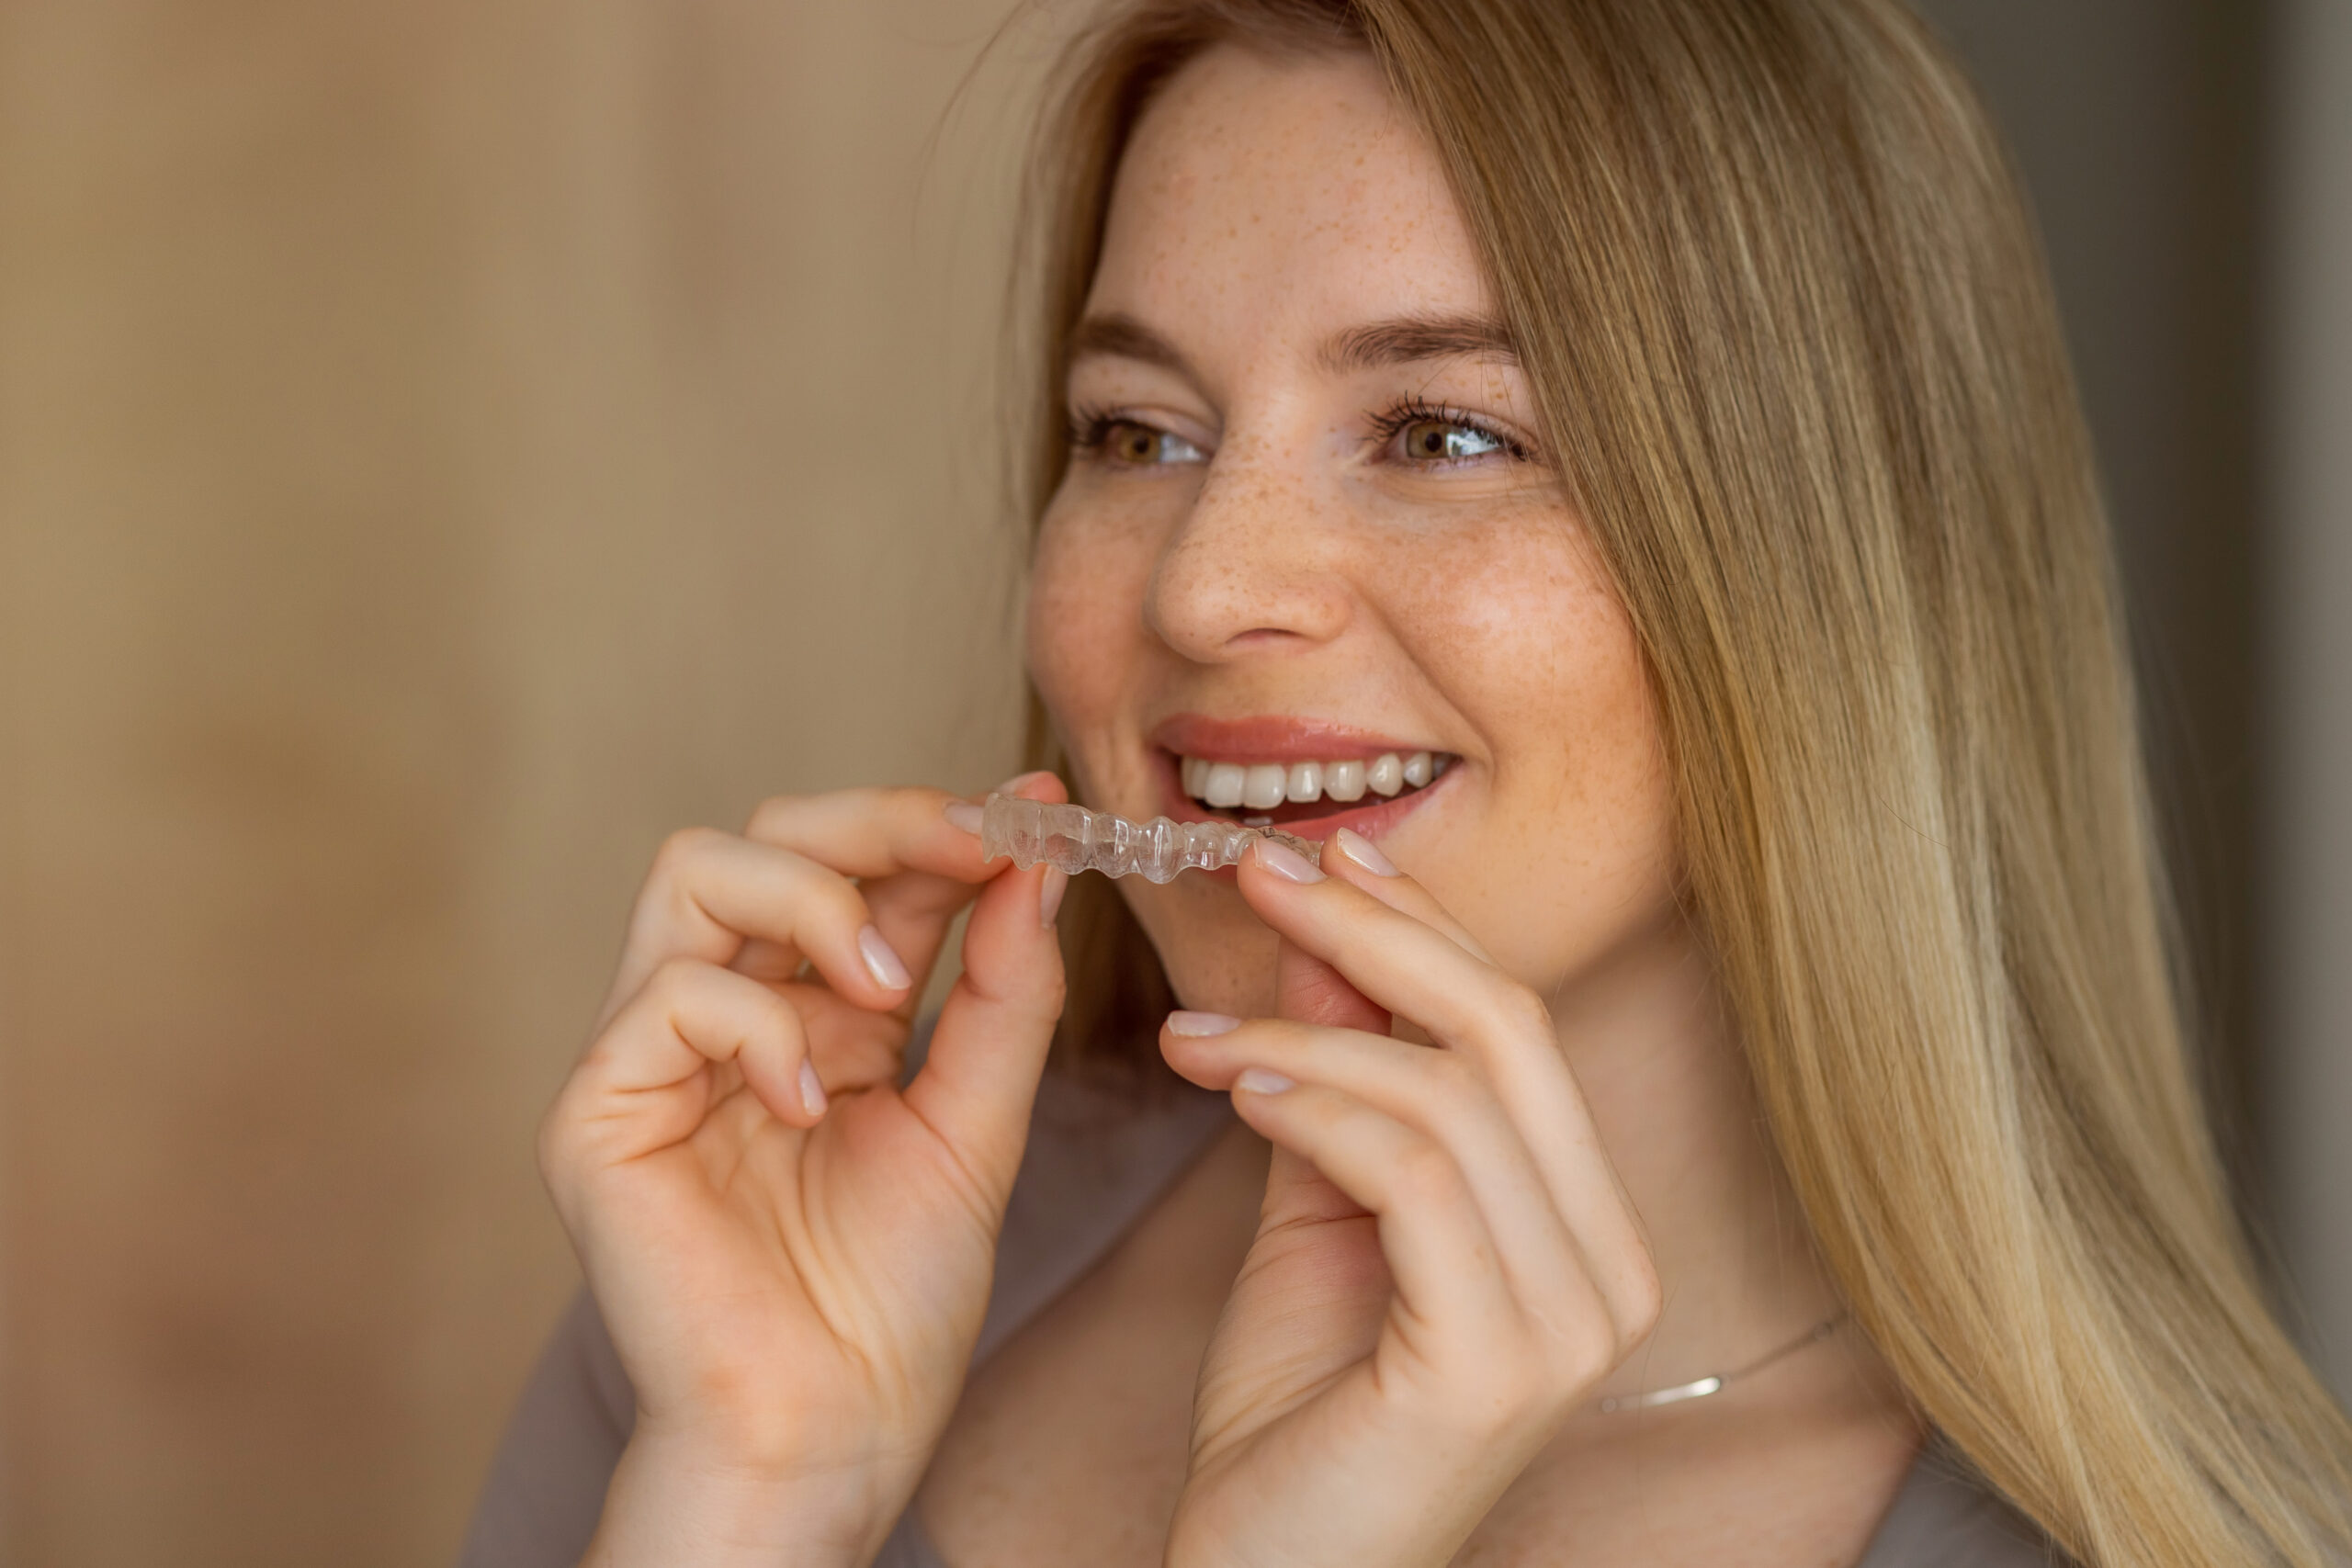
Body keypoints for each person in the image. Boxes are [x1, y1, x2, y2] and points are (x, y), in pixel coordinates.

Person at [462, 2, 2352, 1563]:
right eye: (1136, 429)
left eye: (1444, 429)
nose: (1202, 588)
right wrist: (756, 1485)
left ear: (1826, 579)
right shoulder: (798, 1268)